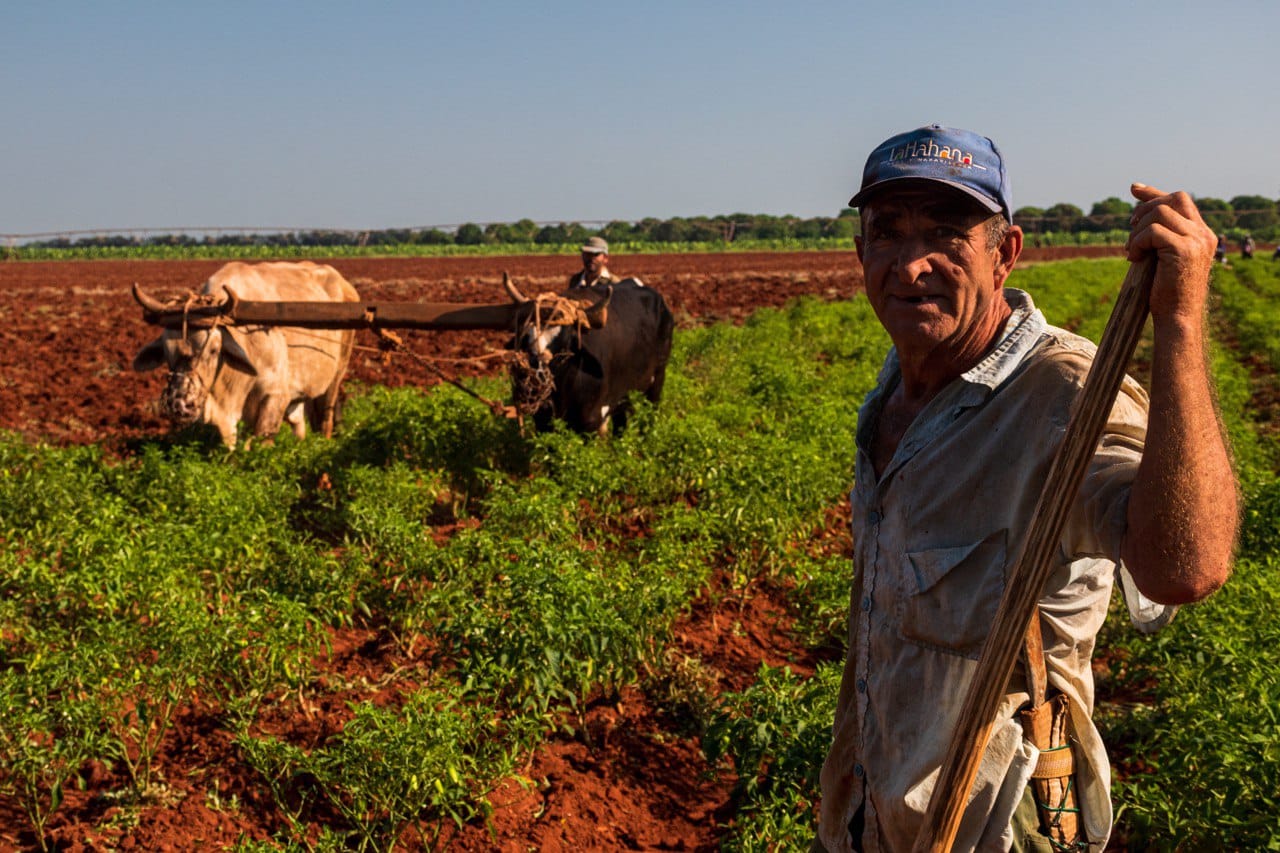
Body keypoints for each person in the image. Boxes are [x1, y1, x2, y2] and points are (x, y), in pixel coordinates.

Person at [816, 125, 1238, 852]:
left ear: (1004, 253)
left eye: (946, 234)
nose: (911, 264)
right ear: (861, 253)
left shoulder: (1065, 396)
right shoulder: (894, 394)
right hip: (871, 817)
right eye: (888, 233)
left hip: (996, 827)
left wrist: (1180, 321)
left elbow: (1185, 567)